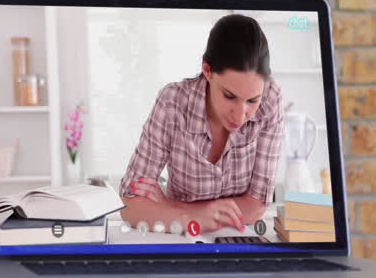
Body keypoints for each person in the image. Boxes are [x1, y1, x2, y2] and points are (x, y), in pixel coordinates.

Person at [118, 13, 284, 234]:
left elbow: (256, 206)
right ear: (207, 71)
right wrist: (193, 218)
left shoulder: (271, 99)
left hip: (237, 239)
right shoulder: (173, 102)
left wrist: (174, 208)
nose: (240, 116)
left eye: (252, 100)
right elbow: (130, 204)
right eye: (229, 96)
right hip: (180, 239)